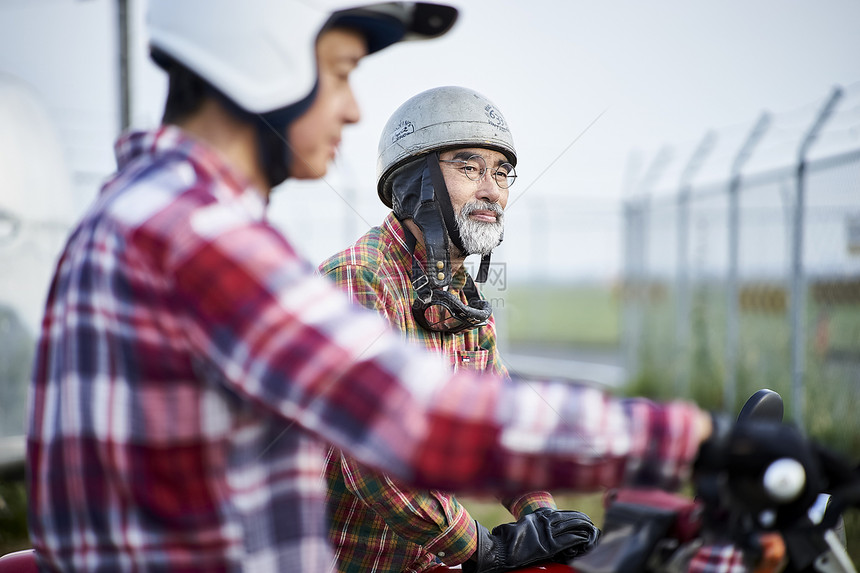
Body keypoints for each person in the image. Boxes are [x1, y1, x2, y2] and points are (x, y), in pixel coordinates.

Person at [25, 1, 802, 572]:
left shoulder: (148, 214)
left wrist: (546, 519)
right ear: (258, 61)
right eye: (337, 74)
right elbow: (408, 423)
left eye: (502, 172)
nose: (354, 107)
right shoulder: (196, 237)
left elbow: (496, 407)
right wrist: (696, 442)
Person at [320, 86, 598, 573]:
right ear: (415, 183)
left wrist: (542, 518)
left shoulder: (462, 301)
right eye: (468, 168)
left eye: (502, 172)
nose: (492, 189)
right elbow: (372, 462)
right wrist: (482, 549)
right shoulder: (358, 279)